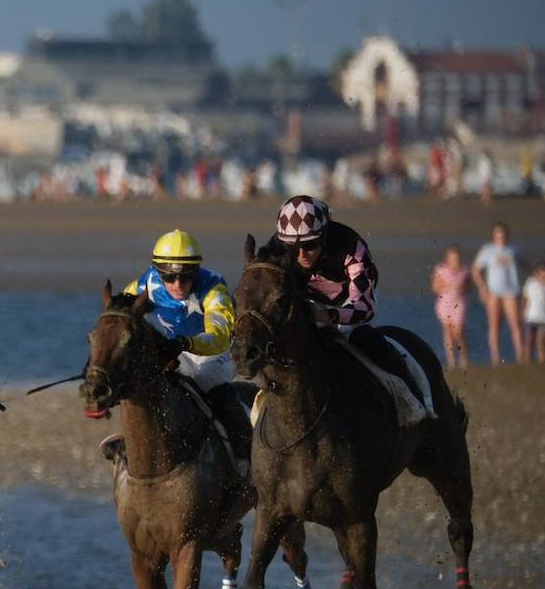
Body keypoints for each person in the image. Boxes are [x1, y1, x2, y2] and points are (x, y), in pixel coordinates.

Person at [104, 229, 251, 475]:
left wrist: (187, 343)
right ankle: (129, 438)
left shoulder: (213, 287)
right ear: (158, 271)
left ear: (197, 272)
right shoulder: (145, 285)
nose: (178, 285)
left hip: (215, 353)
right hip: (173, 352)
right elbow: (116, 319)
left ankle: (243, 455)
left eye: (186, 277)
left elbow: (219, 335)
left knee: (205, 378)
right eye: (169, 277)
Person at [270, 194, 418, 389]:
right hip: (305, 302)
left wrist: (328, 315)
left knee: (363, 337)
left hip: (348, 302)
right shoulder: (276, 250)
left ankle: (408, 394)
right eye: (293, 247)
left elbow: (364, 307)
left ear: (324, 238)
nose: (301, 254)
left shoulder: (351, 246)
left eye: (310, 245)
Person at [471, 222, 524, 364]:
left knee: (516, 324)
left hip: (511, 291)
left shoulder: (513, 249)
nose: (501, 236)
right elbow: (475, 270)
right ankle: (496, 358)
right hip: (493, 292)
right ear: (494, 235)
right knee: (494, 325)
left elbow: (524, 264)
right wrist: (482, 288)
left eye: (503, 233)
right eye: (498, 233)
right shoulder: (488, 250)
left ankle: (521, 356)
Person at [431, 245, 472, 369]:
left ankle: (464, 358)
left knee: (458, 331)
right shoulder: (441, 270)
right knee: (448, 332)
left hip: (459, 303)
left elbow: (469, 287)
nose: (455, 260)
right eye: (452, 258)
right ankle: (451, 360)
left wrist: (460, 288)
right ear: (447, 258)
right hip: (444, 303)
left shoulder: (465, 270)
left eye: (457, 257)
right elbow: (435, 288)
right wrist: (447, 287)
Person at [524, 260, 545, 363]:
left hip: (543, 318)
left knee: (541, 341)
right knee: (528, 341)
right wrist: (523, 312)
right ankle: (526, 362)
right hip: (531, 317)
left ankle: (541, 363)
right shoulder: (531, 283)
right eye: (542, 271)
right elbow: (525, 298)